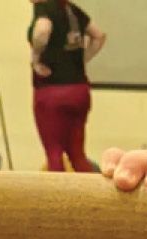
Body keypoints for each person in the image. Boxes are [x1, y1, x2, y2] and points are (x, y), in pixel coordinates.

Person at [27, 0, 105, 172]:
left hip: (52, 91)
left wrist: (36, 58)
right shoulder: (73, 9)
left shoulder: (43, 8)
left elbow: (42, 30)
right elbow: (99, 36)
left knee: (54, 154)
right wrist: (82, 60)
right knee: (78, 155)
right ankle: (90, 195)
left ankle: (56, 198)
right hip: (79, 90)